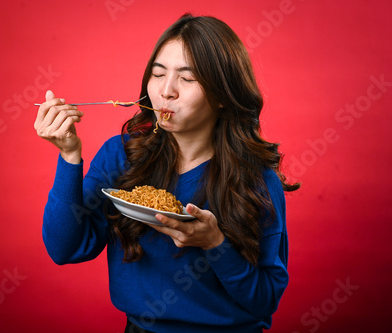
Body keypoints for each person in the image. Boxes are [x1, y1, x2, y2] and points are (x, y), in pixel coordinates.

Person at [34, 13, 299, 333]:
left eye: (187, 79)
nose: (166, 90)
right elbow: (65, 249)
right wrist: (69, 155)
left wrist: (214, 243)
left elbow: (266, 299)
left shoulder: (256, 179)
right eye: (158, 74)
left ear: (221, 96)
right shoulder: (121, 156)